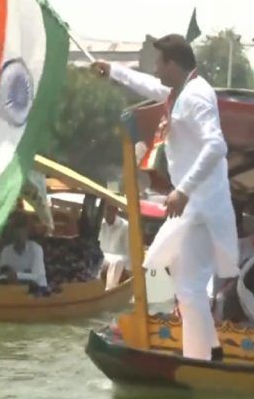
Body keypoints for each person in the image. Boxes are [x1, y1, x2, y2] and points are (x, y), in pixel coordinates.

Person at [92, 34, 239, 361]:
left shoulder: (195, 97)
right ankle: (207, 353)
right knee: (186, 286)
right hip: (195, 207)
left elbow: (217, 146)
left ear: (172, 63)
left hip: (199, 207)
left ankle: (202, 359)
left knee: (188, 287)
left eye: (160, 62)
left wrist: (183, 190)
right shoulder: (181, 92)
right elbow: (149, 86)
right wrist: (114, 71)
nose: (156, 68)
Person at [0, 213, 49, 294]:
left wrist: (17, 276)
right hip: (12, 293)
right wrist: (24, 275)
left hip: (37, 293)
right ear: (11, 232)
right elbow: (2, 277)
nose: (20, 233)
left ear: (28, 231)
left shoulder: (36, 249)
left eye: (23, 229)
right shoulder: (6, 251)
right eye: (16, 229)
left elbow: (38, 277)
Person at [99, 203, 130, 289]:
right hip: (103, 256)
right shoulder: (100, 224)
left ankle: (110, 289)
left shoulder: (125, 226)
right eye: (105, 209)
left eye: (109, 209)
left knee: (117, 262)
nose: (107, 212)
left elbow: (128, 251)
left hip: (119, 258)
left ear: (115, 210)